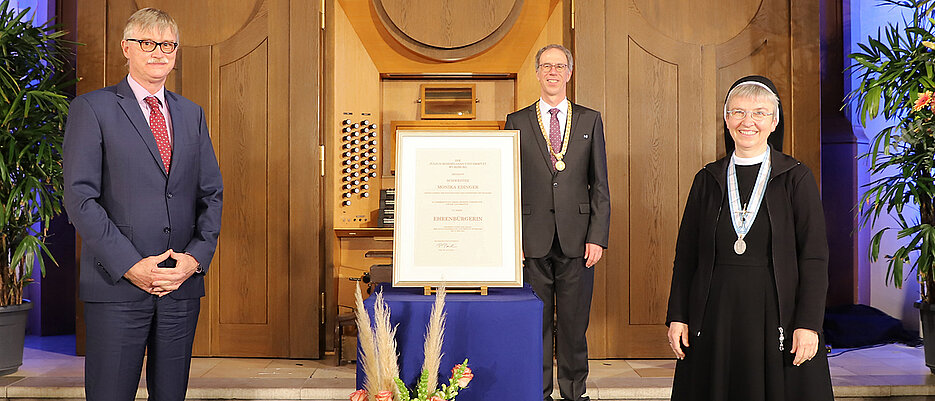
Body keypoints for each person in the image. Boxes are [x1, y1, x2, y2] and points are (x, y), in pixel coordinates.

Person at [63, 8, 223, 401]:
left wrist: (194, 260)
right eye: (148, 43)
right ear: (126, 49)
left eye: (167, 45)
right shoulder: (93, 109)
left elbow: (211, 195)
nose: (159, 53)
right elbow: (80, 198)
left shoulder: (191, 114)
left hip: (178, 286)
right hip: (116, 284)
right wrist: (131, 266)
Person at [665, 75, 833, 400]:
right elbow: (685, 257)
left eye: (759, 113)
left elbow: (814, 257)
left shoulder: (795, 177)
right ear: (727, 120)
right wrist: (678, 316)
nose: (748, 122)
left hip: (775, 314)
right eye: (738, 112)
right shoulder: (707, 179)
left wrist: (809, 323)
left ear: (774, 121)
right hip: (715, 315)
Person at [504, 44, 611, 401]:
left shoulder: (589, 119)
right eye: (546, 65)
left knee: (573, 325)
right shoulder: (516, 121)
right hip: (531, 240)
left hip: (578, 241)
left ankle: (574, 393)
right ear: (537, 72)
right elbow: (509, 185)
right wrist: (512, 237)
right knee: (536, 324)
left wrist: (597, 236)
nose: (552, 71)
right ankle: (538, 391)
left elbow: (600, 185)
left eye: (560, 66)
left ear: (569, 72)